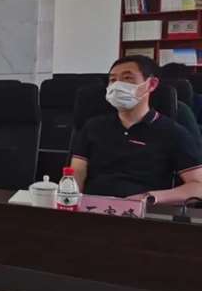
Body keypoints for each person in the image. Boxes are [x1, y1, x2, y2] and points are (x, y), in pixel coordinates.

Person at [69, 55, 202, 204]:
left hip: (144, 211)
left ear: (151, 84)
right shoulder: (93, 126)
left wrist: (150, 198)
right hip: (93, 208)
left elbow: (198, 187)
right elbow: (76, 173)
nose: (117, 85)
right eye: (113, 80)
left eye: (127, 78)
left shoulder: (173, 132)